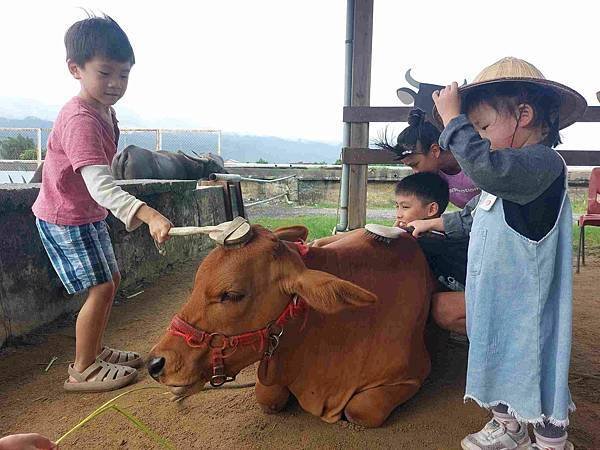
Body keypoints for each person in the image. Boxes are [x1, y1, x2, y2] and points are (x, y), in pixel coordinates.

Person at [411, 57, 585, 450]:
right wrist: (432, 224)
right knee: (496, 356)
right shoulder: (505, 174)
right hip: (496, 294)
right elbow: (475, 217)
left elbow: (487, 170)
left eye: (483, 127)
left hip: (527, 304)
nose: (480, 139)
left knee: (533, 367)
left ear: (523, 115)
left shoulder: (540, 163)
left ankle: (550, 442)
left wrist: (454, 121)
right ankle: (508, 427)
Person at [31, 14, 172, 392]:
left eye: (123, 75)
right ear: (75, 69)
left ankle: (92, 349)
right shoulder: (79, 119)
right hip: (65, 216)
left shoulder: (103, 110)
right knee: (101, 288)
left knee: (111, 280)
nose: (115, 84)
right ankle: (83, 368)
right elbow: (101, 185)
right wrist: (148, 213)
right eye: (105, 73)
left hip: (85, 213)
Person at [376, 108, 480, 208]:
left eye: (415, 165)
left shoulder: (475, 161)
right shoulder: (434, 176)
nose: (416, 172)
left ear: (435, 150)